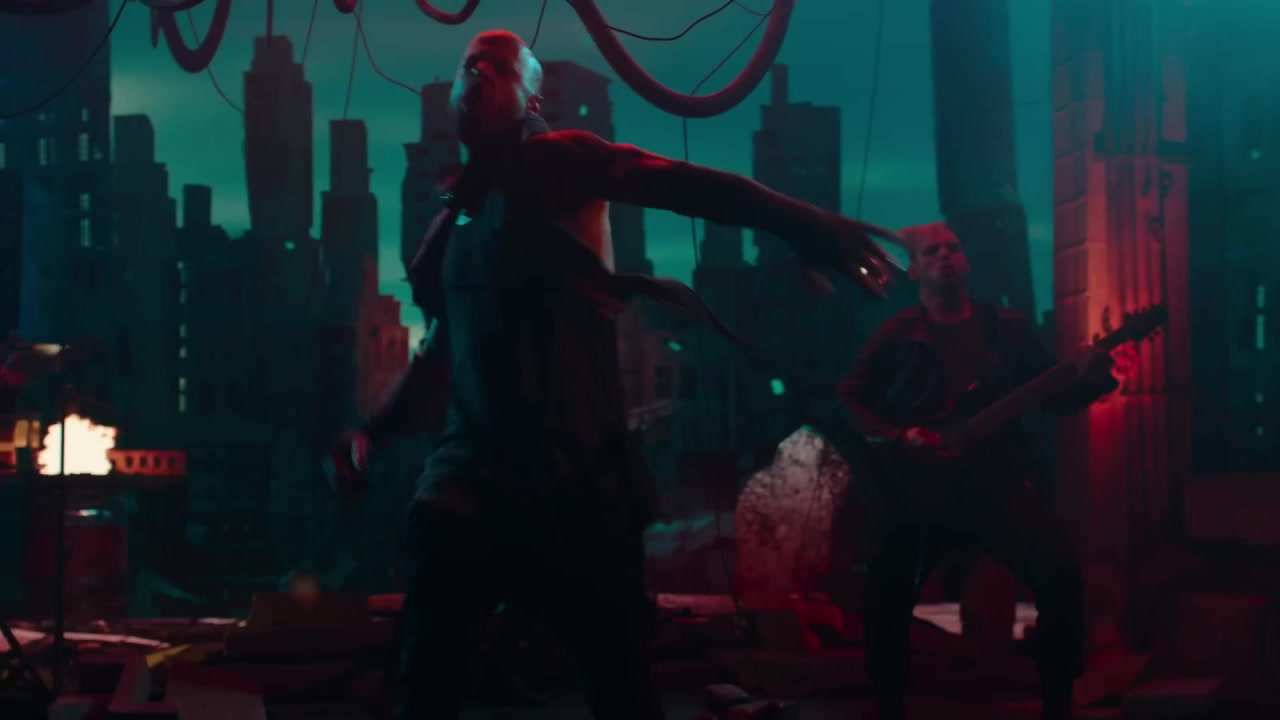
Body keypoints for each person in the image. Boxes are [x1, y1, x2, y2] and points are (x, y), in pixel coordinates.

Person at [325, 29, 903, 720]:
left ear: (530, 98)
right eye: (468, 64)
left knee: (619, 686)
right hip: (472, 480)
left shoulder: (557, 161)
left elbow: (681, 183)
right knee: (428, 682)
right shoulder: (453, 226)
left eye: (499, 66)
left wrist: (803, 223)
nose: (478, 73)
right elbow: (447, 348)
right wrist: (376, 430)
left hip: (576, 479)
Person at [836, 222, 1119, 720]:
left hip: (997, 486)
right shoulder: (897, 333)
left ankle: (1058, 704)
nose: (945, 256)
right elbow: (848, 398)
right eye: (932, 252)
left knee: (1059, 577)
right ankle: (890, 705)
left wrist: (1096, 379)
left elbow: (1051, 396)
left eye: (953, 248)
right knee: (885, 594)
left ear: (966, 262)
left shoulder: (1006, 329)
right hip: (923, 491)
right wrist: (899, 437)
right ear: (914, 270)